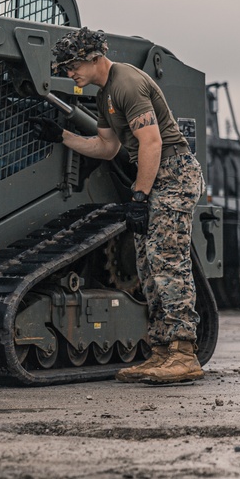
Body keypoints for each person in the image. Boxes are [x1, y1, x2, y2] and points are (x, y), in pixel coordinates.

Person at [29, 27, 204, 385]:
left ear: (94, 57)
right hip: (156, 177)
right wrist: (62, 136)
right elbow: (107, 148)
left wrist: (138, 196)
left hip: (173, 172)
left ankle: (184, 352)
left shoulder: (125, 83)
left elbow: (152, 143)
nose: (68, 73)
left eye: (72, 65)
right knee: (147, 262)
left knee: (167, 261)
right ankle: (160, 351)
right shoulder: (106, 92)